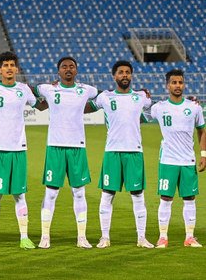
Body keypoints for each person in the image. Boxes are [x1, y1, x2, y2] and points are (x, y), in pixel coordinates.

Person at [32, 57, 98, 249]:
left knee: (79, 192)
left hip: (78, 147)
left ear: (76, 70)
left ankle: (82, 237)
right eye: (64, 67)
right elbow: (29, 88)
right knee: (51, 193)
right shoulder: (48, 89)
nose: (68, 69)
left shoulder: (86, 90)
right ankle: (45, 236)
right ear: (58, 71)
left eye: (71, 67)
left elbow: (106, 96)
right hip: (55, 147)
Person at [89, 60, 154, 248]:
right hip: (112, 152)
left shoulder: (141, 97)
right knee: (107, 195)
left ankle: (141, 238)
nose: (124, 75)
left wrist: (191, 101)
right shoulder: (105, 97)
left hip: (134, 151)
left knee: (138, 195)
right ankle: (105, 237)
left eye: (127, 72)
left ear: (131, 75)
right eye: (121, 72)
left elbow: (159, 109)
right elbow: (85, 108)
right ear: (114, 76)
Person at [0, 52, 37, 251]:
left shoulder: (24, 90)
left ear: (17, 69)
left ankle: (24, 237)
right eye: (6, 65)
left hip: (18, 149)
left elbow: (41, 104)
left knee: (20, 195)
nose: (9, 68)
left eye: (12, 65)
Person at [144, 69, 206, 248]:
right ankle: (163, 237)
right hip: (168, 161)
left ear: (184, 84)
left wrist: (203, 154)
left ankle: (189, 237)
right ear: (167, 85)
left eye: (180, 82)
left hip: (188, 161)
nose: (177, 86)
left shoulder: (194, 107)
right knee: (166, 198)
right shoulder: (159, 108)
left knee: (189, 199)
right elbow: (138, 115)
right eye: (174, 82)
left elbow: (202, 131)